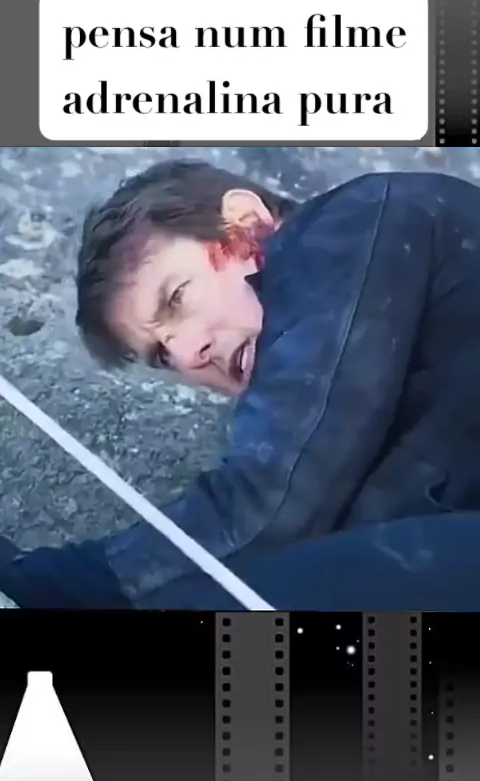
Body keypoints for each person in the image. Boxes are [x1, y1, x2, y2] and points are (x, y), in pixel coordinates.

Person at [1, 160, 480, 609]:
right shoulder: (361, 443)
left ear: (248, 227)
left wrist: (33, 583)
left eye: (176, 298)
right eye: (162, 355)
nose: (187, 354)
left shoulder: (359, 222)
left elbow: (267, 508)